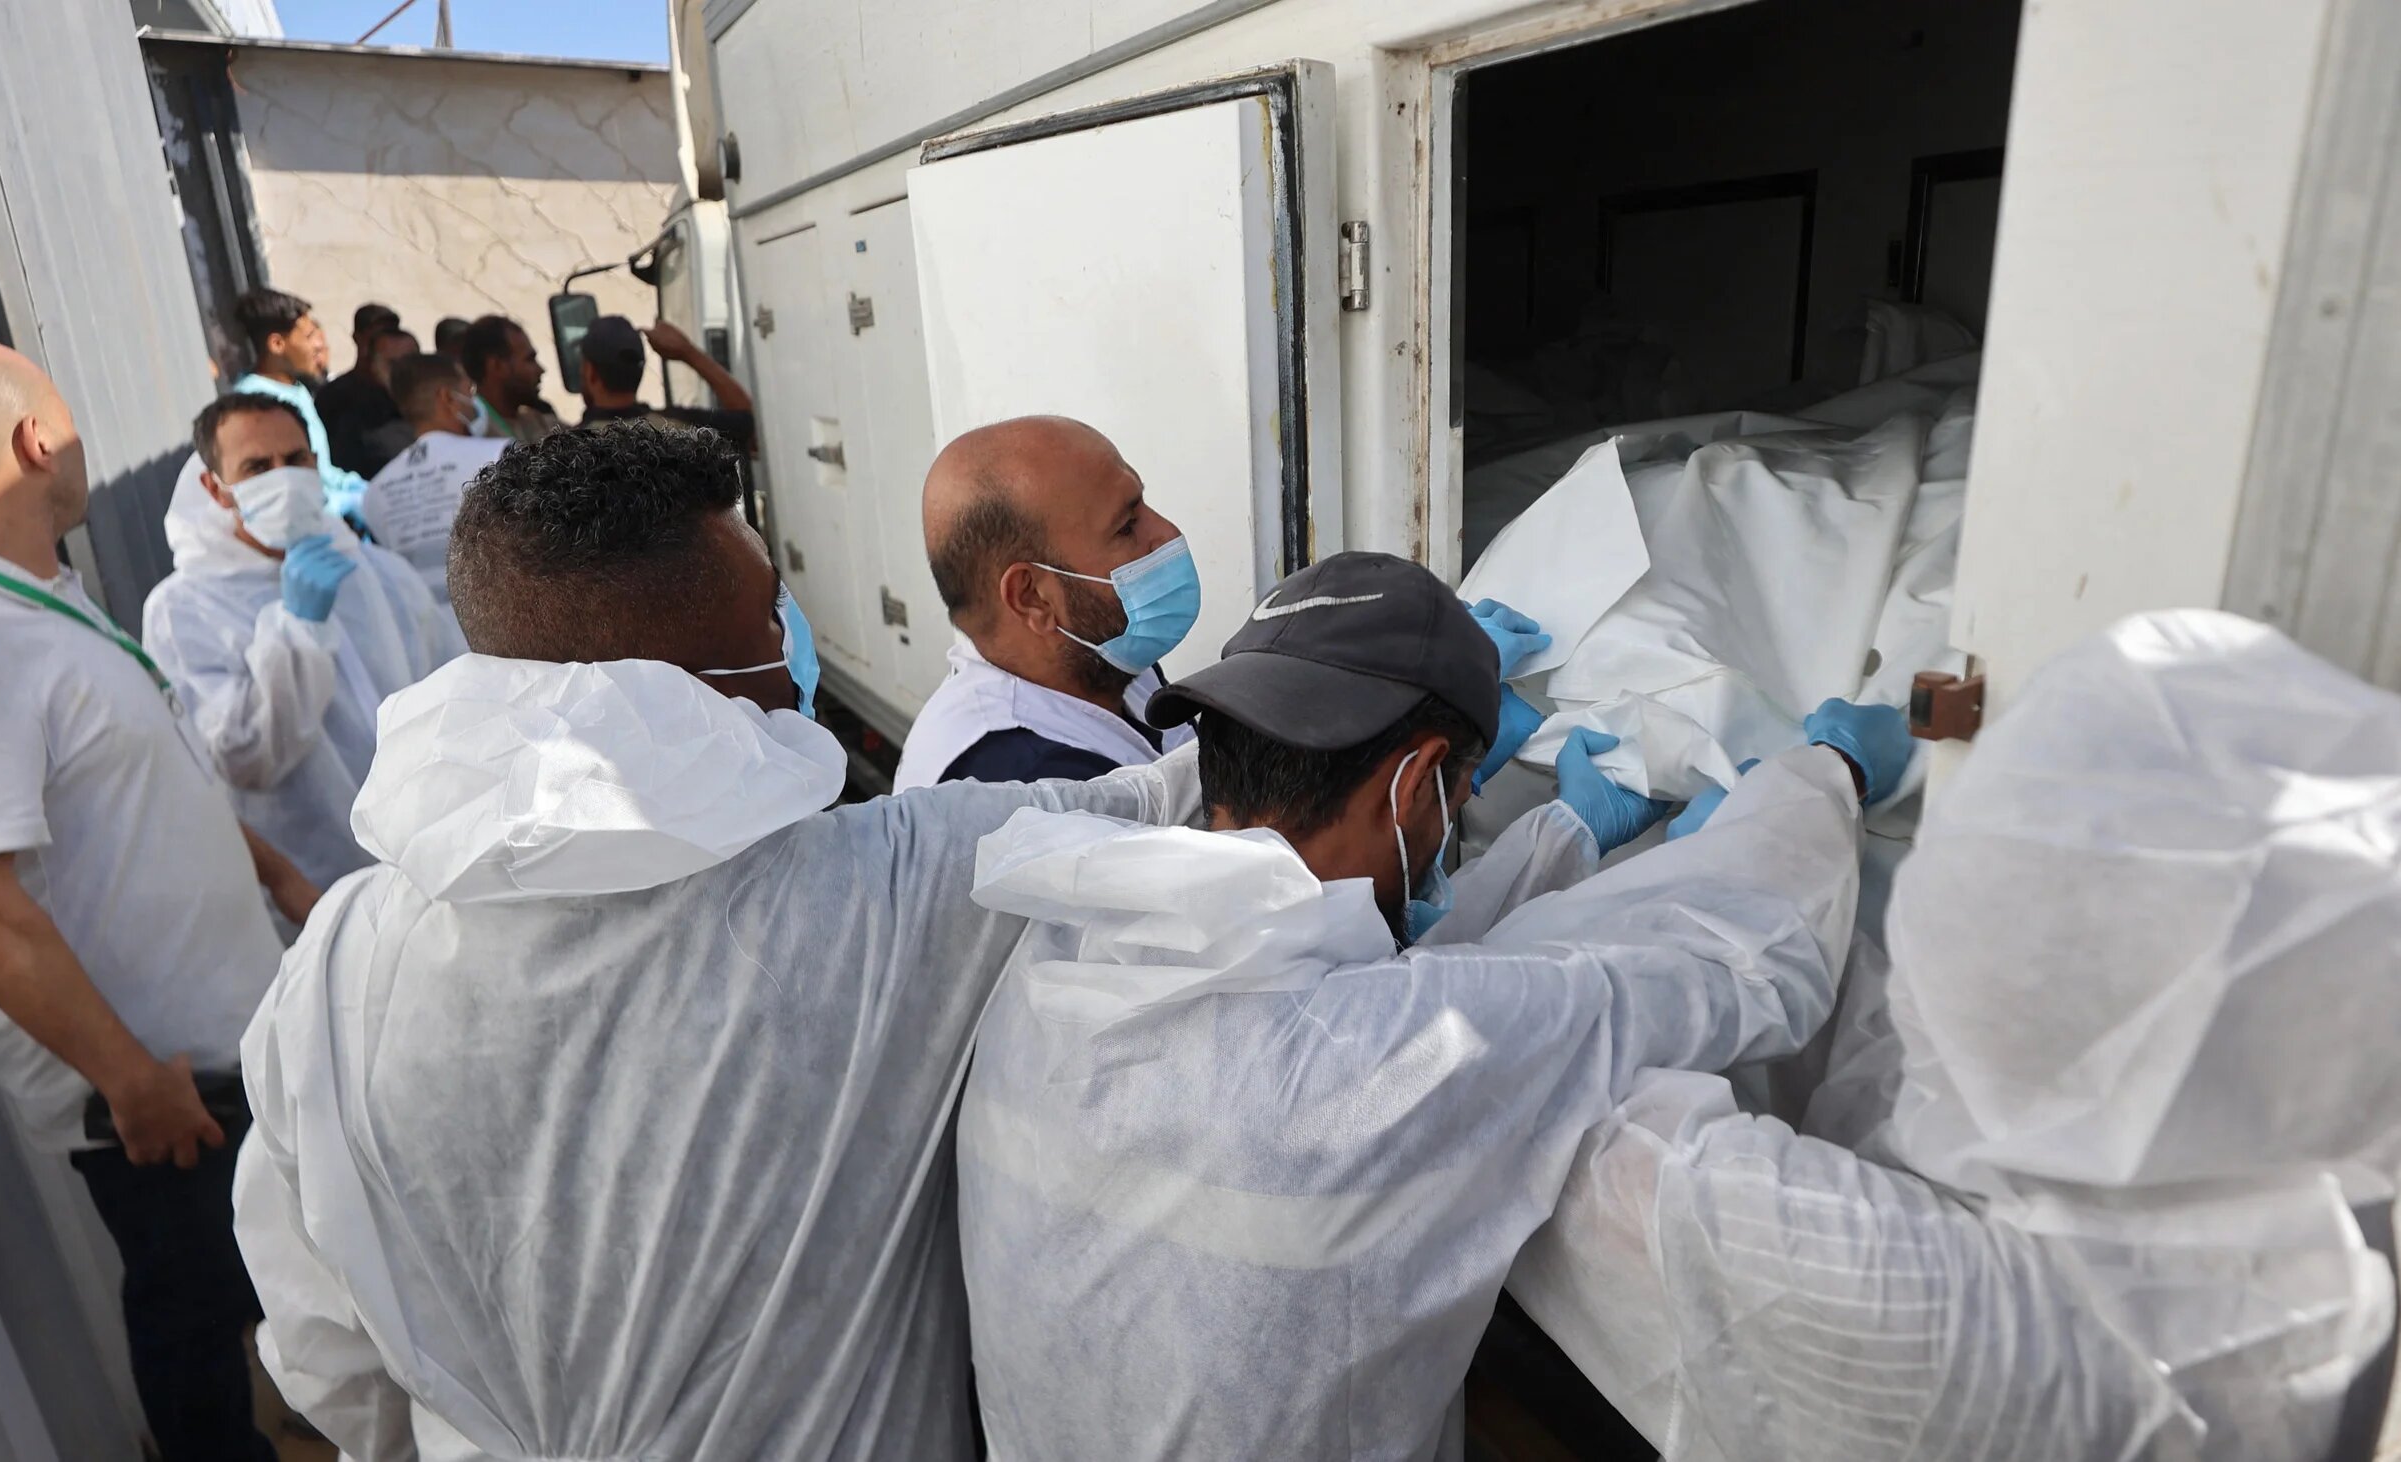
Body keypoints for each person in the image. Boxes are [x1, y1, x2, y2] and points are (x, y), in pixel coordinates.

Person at [233, 420, 1208, 1462]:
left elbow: (323, 1347)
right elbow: (1162, 808)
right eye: (772, 613)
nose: (795, 641)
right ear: (696, 683)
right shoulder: (878, 894)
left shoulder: (334, 965)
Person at [953, 549, 1914, 1461]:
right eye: (1454, 793)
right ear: (1415, 783)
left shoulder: (1062, 951)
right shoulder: (1381, 1057)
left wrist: (1564, 833)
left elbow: (1348, 973)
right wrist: (1827, 778)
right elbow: (1732, 966)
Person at [1511, 609, 2401, 1462]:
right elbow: (1901, 1063)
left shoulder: (1927, 1303)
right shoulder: (2324, 1226)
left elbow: (1545, 1091)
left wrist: (1780, 819)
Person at [0, 342, 320, 1462]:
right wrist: (130, 1077)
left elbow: (140, 787)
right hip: (165, 1083)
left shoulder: (32, 600)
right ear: (34, 441)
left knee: (255, 1302)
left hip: (217, 1051)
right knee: (199, 1327)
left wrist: (280, 877)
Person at [144, 394, 463, 890]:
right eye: (257, 467)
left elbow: (456, 696)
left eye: (295, 460)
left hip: (437, 854)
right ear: (215, 488)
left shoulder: (380, 574)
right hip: (323, 885)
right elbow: (245, 758)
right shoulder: (183, 609)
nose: (284, 478)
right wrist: (298, 630)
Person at [893, 416, 1204, 789]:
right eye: (1126, 527)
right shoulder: (1027, 786)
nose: (1167, 533)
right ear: (1032, 597)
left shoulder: (1102, 653)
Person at [357, 353, 509, 604]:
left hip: (424, 627)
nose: (475, 402)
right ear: (447, 397)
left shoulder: (376, 491)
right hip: (496, 621)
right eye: (469, 391)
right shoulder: (499, 457)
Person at [230, 287, 368, 520]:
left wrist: (368, 491)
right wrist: (349, 503)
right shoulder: (254, 405)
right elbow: (284, 497)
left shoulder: (296, 389)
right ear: (277, 344)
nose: (318, 345)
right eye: (308, 336)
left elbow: (325, 474)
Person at [574, 314, 757, 448]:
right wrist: (688, 352)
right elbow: (745, 418)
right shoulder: (682, 429)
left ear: (590, 372)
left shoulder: (568, 451)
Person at [316, 309, 419, 478]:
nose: (402, 371)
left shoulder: (434, 405)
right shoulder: (339, 399)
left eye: (409, 362)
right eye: (392, 363)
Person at [459, 313, 556, 445]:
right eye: (529, 360)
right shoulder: (471, 433)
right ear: (497, 366)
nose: (541, 370)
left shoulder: (535, 421)